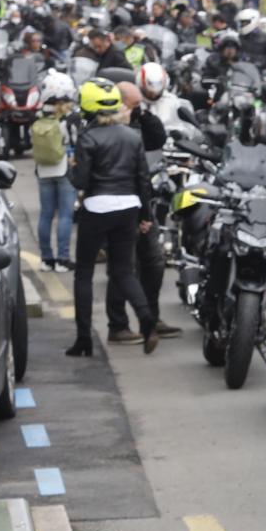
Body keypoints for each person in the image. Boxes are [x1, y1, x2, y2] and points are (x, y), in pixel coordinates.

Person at [67, 79, 159, 357]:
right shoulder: (132, 136)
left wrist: (73, 169)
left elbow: (81, 181)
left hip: (96, 207)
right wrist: (145, 215)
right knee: (123, 271)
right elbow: (143, 180)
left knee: (84, 272)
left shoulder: (87, 138)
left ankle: (84, 339)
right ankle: (146, 319)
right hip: (129, 206)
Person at [104, 82, 178, 346]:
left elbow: (158, 139)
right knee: (123, 269)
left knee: (154, 263)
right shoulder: (109, 128)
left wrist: (144, 114)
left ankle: (152, 318)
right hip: (121, 207)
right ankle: (118, 325)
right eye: (134, 105)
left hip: (142, 202)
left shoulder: (137, 121)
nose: (136, 109)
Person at [31, 72, 79, 272]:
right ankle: (62, 259)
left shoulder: (40, 115)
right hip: (64, 169)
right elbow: (77, 143)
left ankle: (46, 259)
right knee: (65, 216)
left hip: (43, 169)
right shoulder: (69, 117)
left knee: (46, 215)